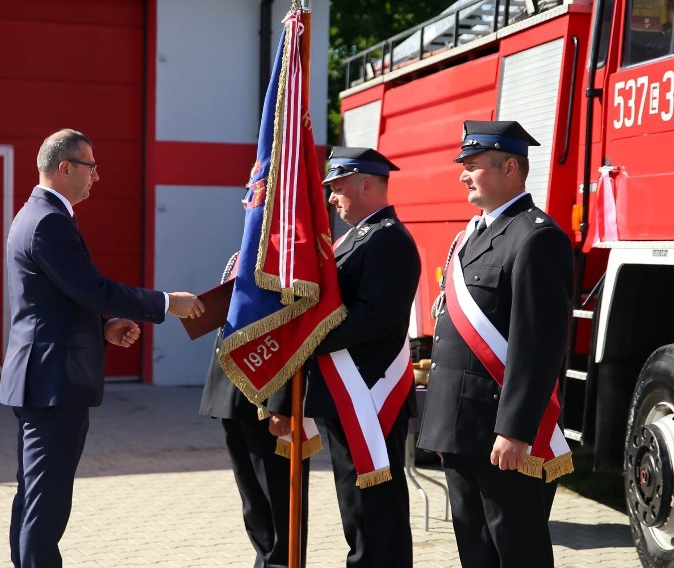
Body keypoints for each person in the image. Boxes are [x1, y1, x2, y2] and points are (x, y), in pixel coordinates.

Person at [0, 128, 205, 568]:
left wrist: (105, 326)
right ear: (65, 167)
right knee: (46, 506)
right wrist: (167, 302)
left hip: (44, 379)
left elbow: (65, 296)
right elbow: (91, 287)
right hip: (52, 384)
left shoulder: (38, 215)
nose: (97, 176)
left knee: (36, 498)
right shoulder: (49, 220)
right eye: (91, 166)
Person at [418, 120, 574, 568]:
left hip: (500, 432)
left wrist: (516, 430)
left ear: (510, 167)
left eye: (472, 166)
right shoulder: (472, 234)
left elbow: (538, 346)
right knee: (477, 551)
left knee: (517, 550)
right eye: (462, 166)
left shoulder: (536, 237)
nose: (462, 175)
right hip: (460, 427)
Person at [271, 146, 420, 567]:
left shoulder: (388, 237)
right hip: (344, 391)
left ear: (367, 185)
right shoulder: (356, 237)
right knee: (357, 508)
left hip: (368, 392)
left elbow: (375, 317)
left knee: (375, 512)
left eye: (337, 188)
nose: (332, 199)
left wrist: (308, 339)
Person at [199, 251, 310, 568]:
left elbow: (295, 328)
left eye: (256, 197)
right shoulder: (247, 249)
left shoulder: (288, 251)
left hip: (268, 399)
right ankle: (264, 562)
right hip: (233, 393)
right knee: (254, 504)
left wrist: (283, 402)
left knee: (278, 506)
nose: (249, 201)